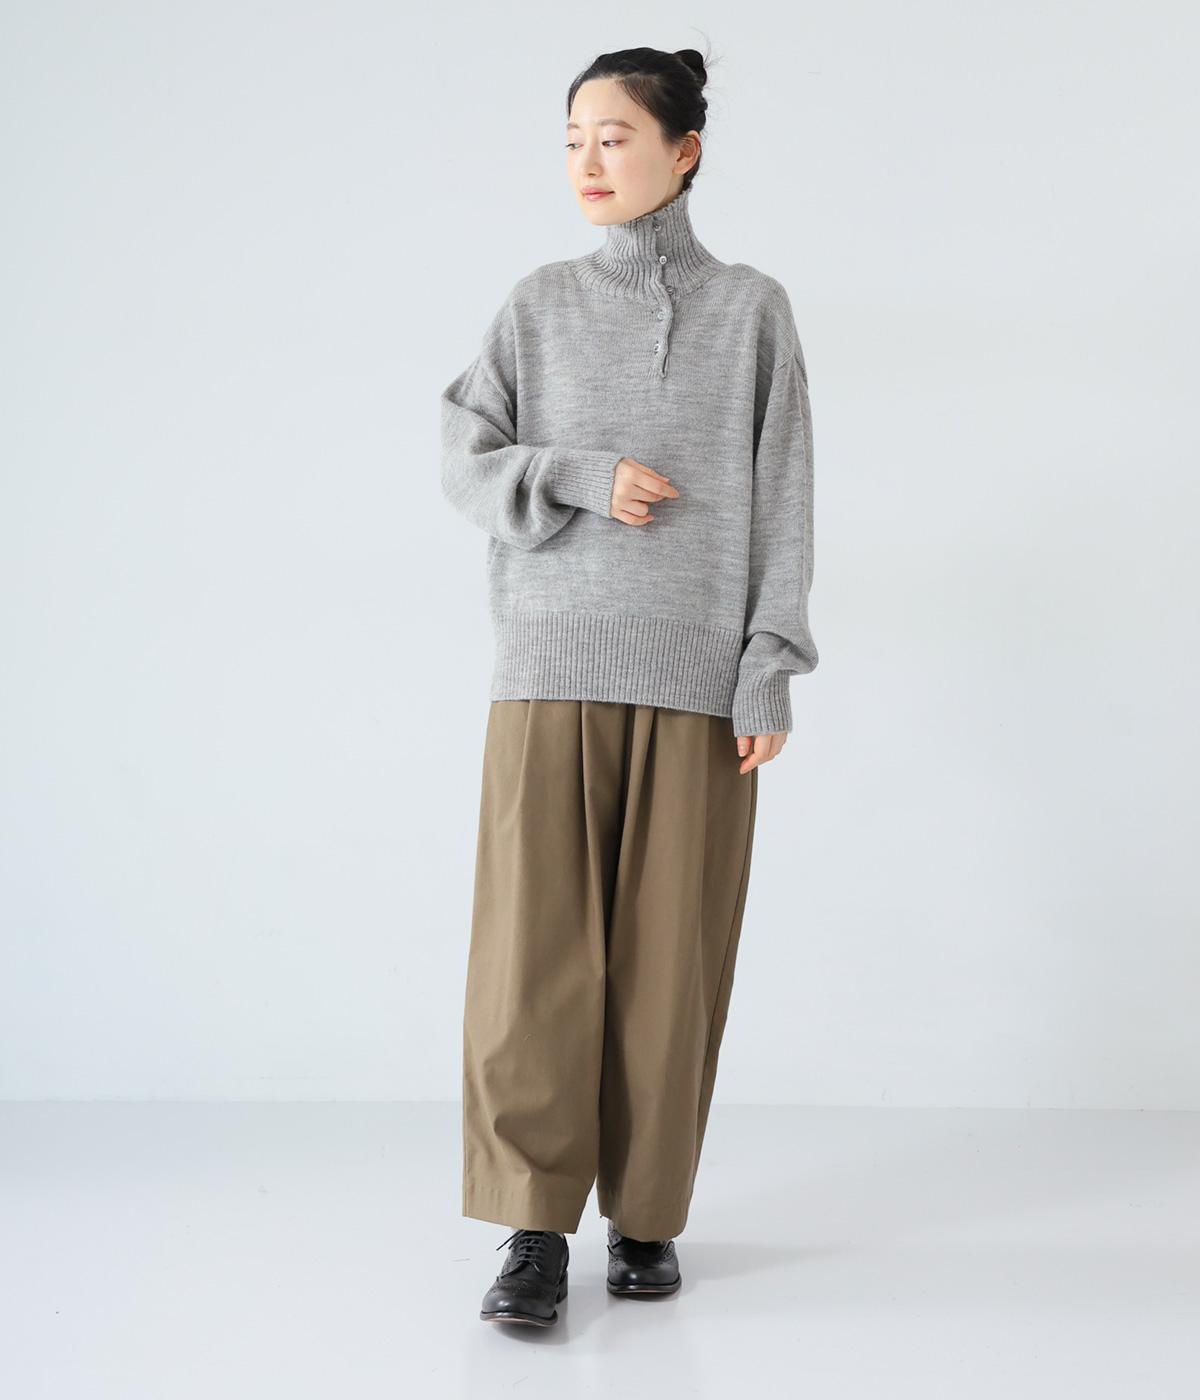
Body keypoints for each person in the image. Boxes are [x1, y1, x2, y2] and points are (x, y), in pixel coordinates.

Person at [439, 44, 818, 1328]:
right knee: (533, 961)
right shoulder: (538, 305)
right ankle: (534, 1229)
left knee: (671, 968)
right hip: (548, 674)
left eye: (613, 137)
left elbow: (784, 493)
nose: (588, 162)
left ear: (683, 151)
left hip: (700, 684)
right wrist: (576, 474)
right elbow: (463, 456)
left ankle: (646, 1212)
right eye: (573, 140)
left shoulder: (752, 310)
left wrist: (769, 664)